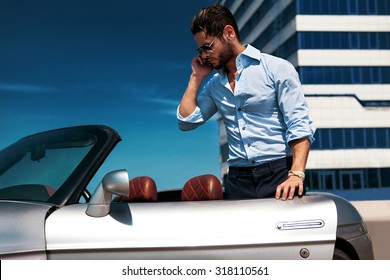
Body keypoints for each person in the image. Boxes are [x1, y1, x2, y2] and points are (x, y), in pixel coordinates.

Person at [177, 5, 315, 201]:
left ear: (229, 33)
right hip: (237, 179)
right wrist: (196, 77)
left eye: (208, 46)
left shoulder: (276, 68)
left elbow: (299, 123)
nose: (204, 55)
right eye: (200, 49)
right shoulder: (214, 85)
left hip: (279, 174)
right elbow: (186, 121)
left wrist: (296, 174)